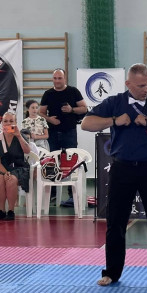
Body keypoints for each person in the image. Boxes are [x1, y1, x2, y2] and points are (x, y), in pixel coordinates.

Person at [81, 63, 147, 289]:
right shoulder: (115, 102)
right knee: (115, 222)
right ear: (128, 84)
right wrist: (113, 121)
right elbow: (86, 124)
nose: (145, 89)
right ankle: (112, 272)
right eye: (140, 86)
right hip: (122, 168)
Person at [39, 69, 87, 207]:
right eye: (55, 78)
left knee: (71, 161)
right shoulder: (48, 94)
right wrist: (49, 119)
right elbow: (41, 113)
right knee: (51, 162)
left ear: (65, 78)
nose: (57, 81)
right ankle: (52, 194)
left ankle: (72, 194)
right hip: (53, 133)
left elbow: (84, 108)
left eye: (59, 78)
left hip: (69, 131)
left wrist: (72, 109)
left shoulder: (73, 91)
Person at [0, 111, 32, 221]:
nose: (8, 123)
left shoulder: (21, 136)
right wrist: (5, 172)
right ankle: (1, 210)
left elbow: (27, 151)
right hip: (2, 168)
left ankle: (11, 211)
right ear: (2, 123)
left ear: (16, 123)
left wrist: (18, 136)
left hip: (19, 168)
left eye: (11, 121)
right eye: (5, 121)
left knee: (11, 180)